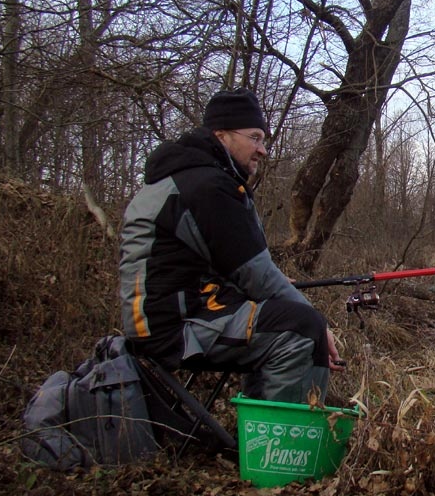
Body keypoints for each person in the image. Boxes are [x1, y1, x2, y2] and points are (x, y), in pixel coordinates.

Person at [118, 90, 343, 403]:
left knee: (287, 316)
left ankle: (260, 424)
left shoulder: (193, 176)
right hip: (171, 326)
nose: (262, 150)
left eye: (264, 140)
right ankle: (278, 444)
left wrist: (274, 289)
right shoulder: (207, 185)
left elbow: (223, 265)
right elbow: (256, 273)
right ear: (221, 135)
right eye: (254, 137)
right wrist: (320, 327)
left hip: (176, 313)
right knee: (304, 329)